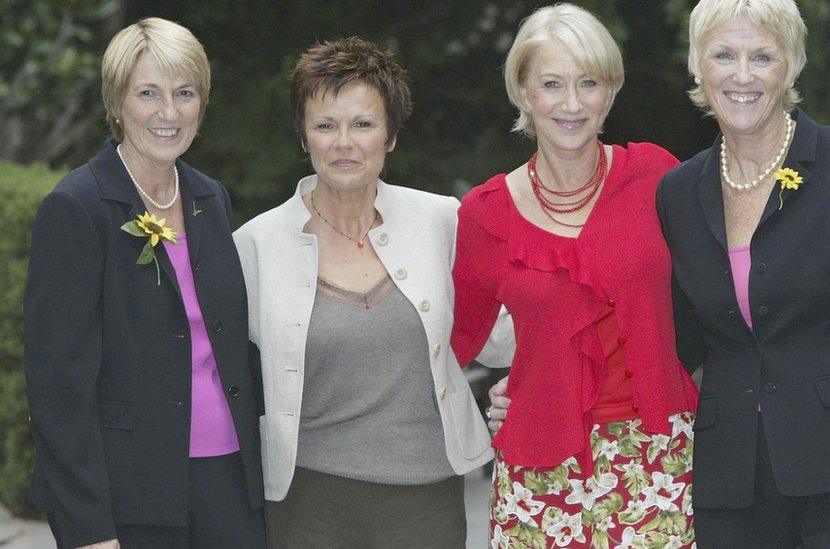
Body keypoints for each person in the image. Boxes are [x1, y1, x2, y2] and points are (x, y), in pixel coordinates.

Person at [654, 0, 830, 547]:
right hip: (731, 486)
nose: (742, 75)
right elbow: (679, 340)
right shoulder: (677, 193)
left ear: (790, 65)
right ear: (698, 66)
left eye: (762, 56)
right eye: (724, 55)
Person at [233, 37, 514, 548]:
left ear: (390, 136)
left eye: (363, 124)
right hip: (306, 507)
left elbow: (508, 335)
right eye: (325, 125)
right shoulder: (253, 246)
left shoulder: (444, 221)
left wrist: (521, 388)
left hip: (427, 501)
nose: (344, 142)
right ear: (304, 137)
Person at [451, 5, 700, 548]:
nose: (571, 103)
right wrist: (489, 409)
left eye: (589, 83)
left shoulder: (657, 176)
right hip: (538, 470)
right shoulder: (485, 213)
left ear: (610, 92)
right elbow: (449, 341)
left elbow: (730, 272)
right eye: (552, 84)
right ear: (523, 92)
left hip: (656, 456)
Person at [24, 18, 265, 549]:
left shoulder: (211, 199)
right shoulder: (77, 207)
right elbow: (57, 388)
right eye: (148, 93)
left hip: (230, 483)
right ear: (117, 103)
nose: (168, 112)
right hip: (130, 495)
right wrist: (88, 528)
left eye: (184, 93)